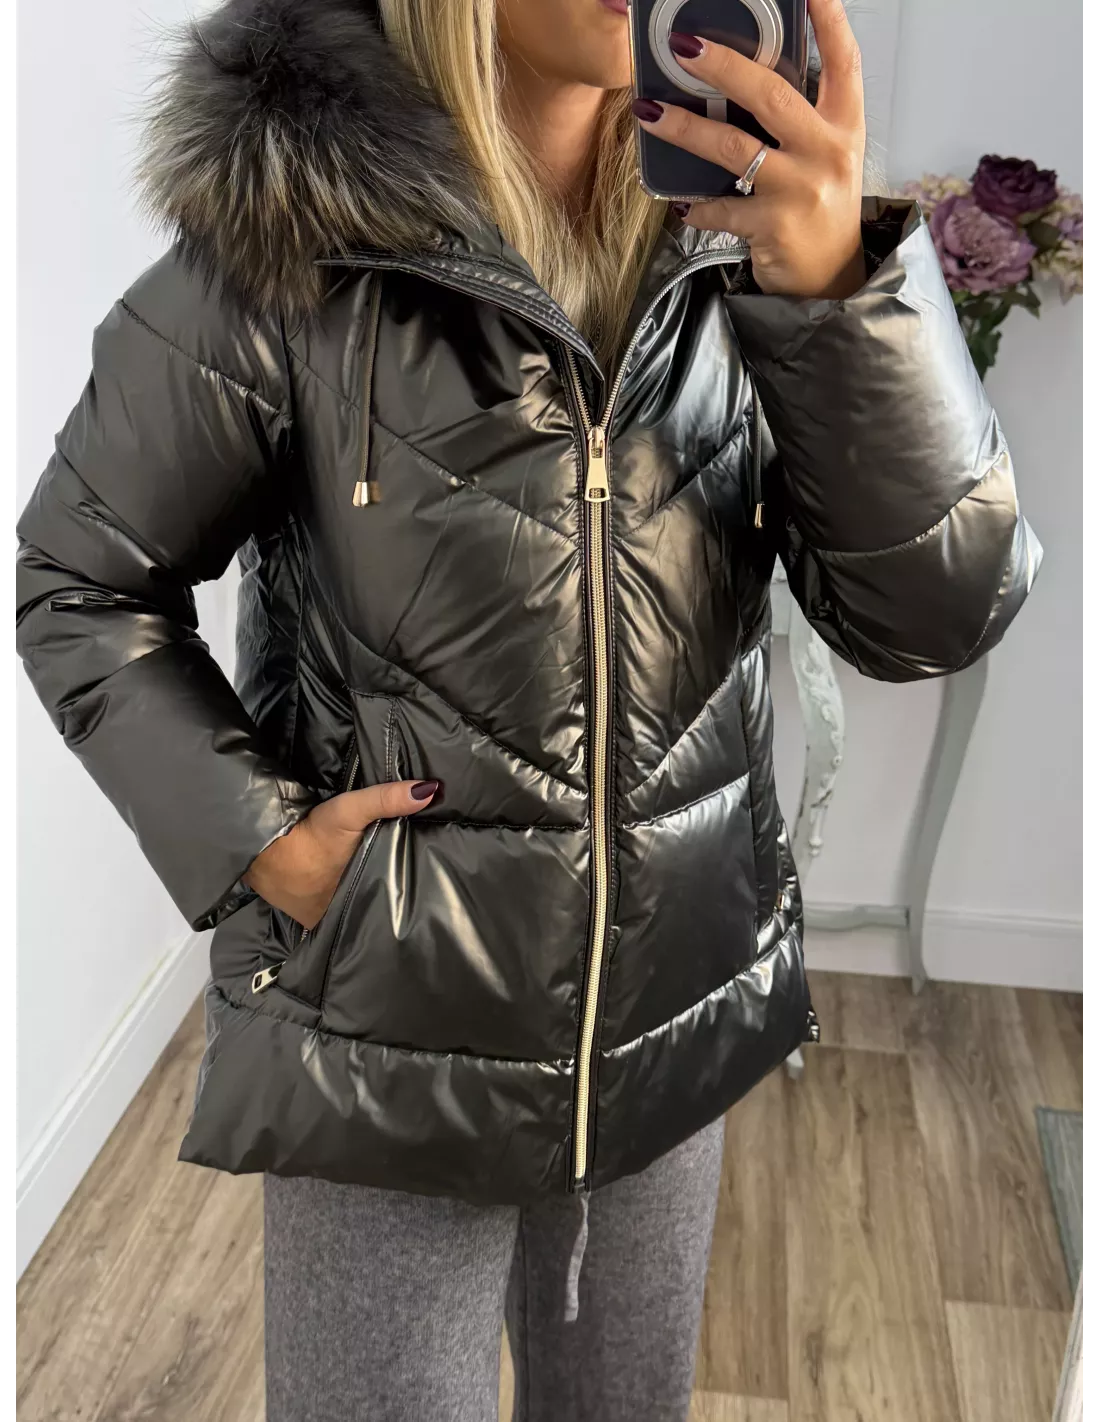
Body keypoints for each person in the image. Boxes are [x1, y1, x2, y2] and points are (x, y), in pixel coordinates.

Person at [15, 0, 1042, 1417]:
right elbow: (80, 577)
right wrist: (263, 842)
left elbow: (935, 618)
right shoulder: (292, 241)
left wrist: (838, 295)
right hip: (393, 1030)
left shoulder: (745, 242)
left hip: (674, 1006)